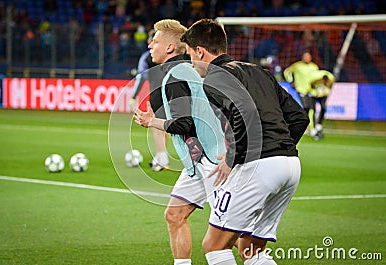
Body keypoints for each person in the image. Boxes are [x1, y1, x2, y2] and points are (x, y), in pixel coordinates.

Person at [181, 18, 309, 265]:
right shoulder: (259, 71)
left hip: (259, 166)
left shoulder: (215, 78)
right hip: (291, 166)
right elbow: (299, 117)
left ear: (200, 51)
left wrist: (232, 158)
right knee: (250, 248)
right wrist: (280, 148)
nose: (190, 62)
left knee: (214, 245)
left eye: (189, 55)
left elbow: (245, 113)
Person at [134, 19, 226, 265]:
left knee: (230, 234)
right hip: (196, 161)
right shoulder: (178, 71)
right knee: (174, 215)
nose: (150, 45)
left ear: (171, 48)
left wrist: (150, 122)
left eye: (155, 40)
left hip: (212, 160)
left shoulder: (176, 74)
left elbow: (186, 123)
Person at [130, 28, 170, 171]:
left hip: (158, 95)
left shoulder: (148, 57)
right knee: (162, 127)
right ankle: (160, 157)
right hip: (170, 94)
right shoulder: (170, 56)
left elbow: (141, 77)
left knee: (157, 126)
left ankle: (162, 159)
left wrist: (133, 97)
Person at [283, 51, 319, 138]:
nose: (307, 58)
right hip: (301, 89)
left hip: (311, 91)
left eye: (308, 56)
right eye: (305, 56)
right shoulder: (297, 65)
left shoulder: (314, 67)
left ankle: (312, 128)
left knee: (312, 109)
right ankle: (304, 126)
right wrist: (291, 81)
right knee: (305, 107)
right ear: (302, 57)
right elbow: (287, 72)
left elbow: (317, 78)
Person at [308, 69, 335, 140]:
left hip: (322, 95)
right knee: (313, 110)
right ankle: (313, 129)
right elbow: (311, 85)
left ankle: (318, 125)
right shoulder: (316, 80)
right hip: (314, 94)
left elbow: (330, 86)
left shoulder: (331, 81)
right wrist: (317, 85)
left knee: (323, 108)